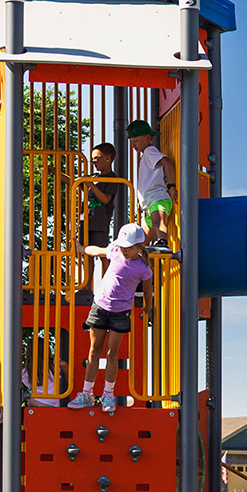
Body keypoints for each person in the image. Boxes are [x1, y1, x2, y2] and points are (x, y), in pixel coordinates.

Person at [69, 222, 154, 415]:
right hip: (100, 306)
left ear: (138, 247)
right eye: (122, 246)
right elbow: (96, 251)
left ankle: (108, 394)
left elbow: (148, 293)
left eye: (127, 247)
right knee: (93, 351)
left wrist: (148, 308)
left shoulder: (143, 268)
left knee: (111, 354)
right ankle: (86, 394)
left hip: (120, 313)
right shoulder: (115, 251)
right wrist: (82, 249)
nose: (123, 250)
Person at [125, 119, 178, 252]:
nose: (133, 145)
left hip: (157, 198)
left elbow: (167, 162)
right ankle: (143, 265)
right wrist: (140, 200)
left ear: (148, 137)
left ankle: (163, 243)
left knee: (158, 222)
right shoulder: (145, 156)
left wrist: (172, 186)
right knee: (142, 242)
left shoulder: (149, 151)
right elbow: (146, 180)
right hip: (149, 202)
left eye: (136, 141)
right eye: (131, 142)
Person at [80, 142, 123, 288]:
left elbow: (105, 199)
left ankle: (106, 286)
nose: (94, 162)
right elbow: (74, 183)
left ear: (108, 158)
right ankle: (86, 286)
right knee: (87, 254)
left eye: (97, 158)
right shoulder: (93, 176)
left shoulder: (111, 178)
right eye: (92, 160)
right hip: (86, 221)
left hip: (99, 223)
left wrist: (90, 184)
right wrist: (55, 172)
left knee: (103, 254)